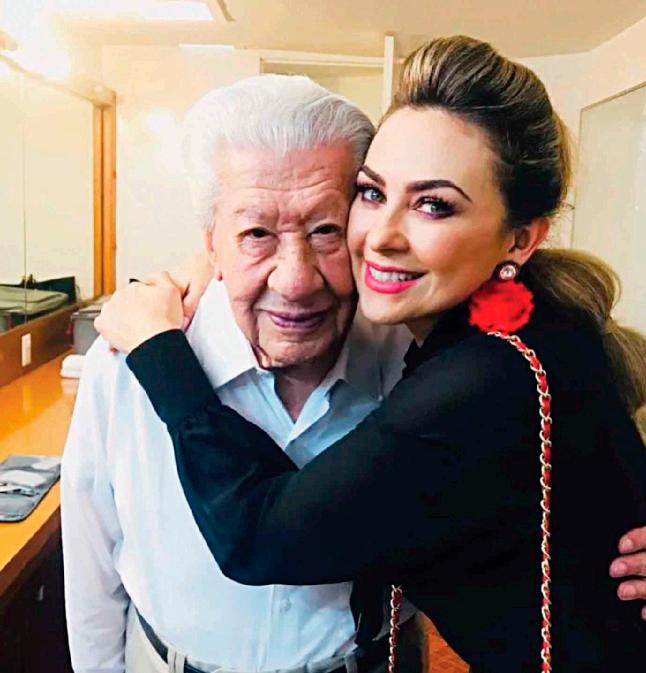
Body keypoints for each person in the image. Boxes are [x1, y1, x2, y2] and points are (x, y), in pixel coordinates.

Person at [96, 36, 646, 671]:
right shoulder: (536, 322)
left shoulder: (481, 377)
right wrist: (221, 255)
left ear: (520, 239)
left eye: (434, 205)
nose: (381, 237)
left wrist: (161, 352)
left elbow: (260, 537)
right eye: (373, 193)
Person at [61, 75, 424, 673]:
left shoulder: (416, 361)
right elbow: (91, 558)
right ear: (212, 245)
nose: (296, 280)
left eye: (326, 231)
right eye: (257, 233)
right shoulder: (126, 362)